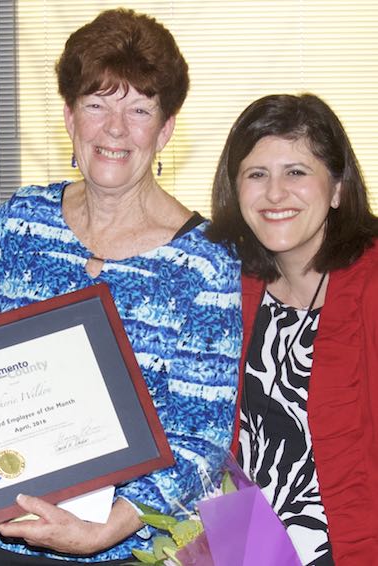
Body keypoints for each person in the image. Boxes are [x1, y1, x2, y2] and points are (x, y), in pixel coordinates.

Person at [0, 8, 241, 565]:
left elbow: (200, 442)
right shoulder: (19, 224)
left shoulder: (203, 265)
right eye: (97, 104)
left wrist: (110, 527)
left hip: (124, 552)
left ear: (166, 128)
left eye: (139, 109)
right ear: (70, 117)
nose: (115, 129)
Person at [207, 93, 378, 565]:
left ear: (338, 188)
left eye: (296, 172)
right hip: (245, 550)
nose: (275, 193)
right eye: (256, 174)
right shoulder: (229, 284)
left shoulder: (372, 285)